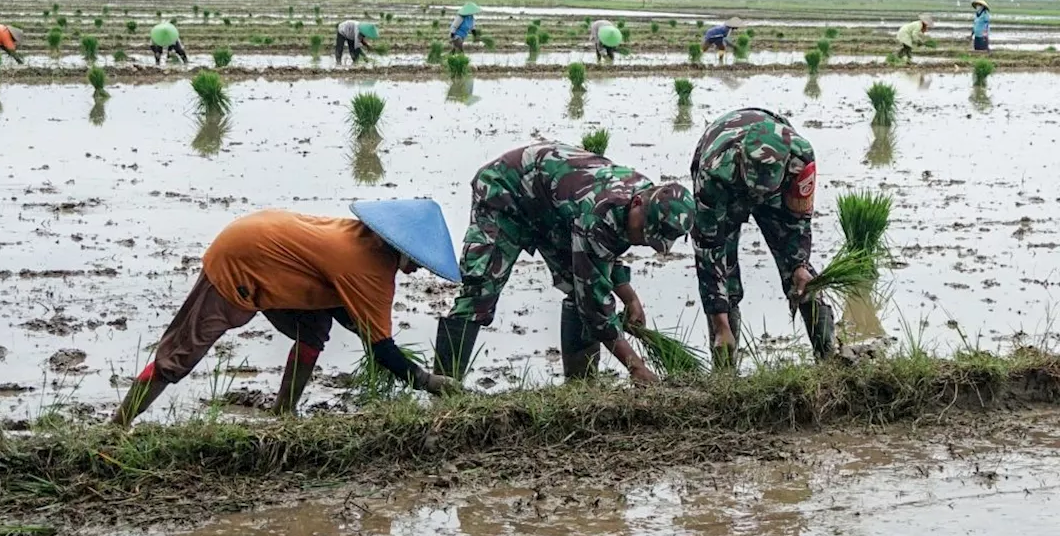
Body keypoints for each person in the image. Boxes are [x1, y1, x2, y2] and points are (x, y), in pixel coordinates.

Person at [112, 200, 463, 425]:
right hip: (241, 257)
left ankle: (283, 410)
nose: (420, 269)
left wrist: (368, 329)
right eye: (419, 260)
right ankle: (117, 426)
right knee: (182, 351)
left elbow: (348, 313)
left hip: (268, 244)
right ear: (401, 246)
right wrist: (428, 382)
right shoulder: (370, 268)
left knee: (313, 330)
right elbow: (381, 349)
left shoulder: (362, 238)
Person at [433, 142, 697, 385]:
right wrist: (635, 366)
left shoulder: (640, 201)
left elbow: (604, 253)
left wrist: (629, 298)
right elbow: (594, 302)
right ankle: (443, 390)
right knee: (480, 291)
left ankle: (581, 388)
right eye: (644, 231)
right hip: (506, 194)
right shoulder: (599, 212)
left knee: (576, 285)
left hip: (553, 211)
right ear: (638, 202)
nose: (641, 239)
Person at [689, 108, 835, 366]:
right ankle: (725, 371)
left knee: (801, 277)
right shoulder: (713, 173)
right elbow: (708, 251)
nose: (758, 194)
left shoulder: (801, 158)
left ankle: (828, 358)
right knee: (726, 277)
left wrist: (799, 263)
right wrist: (719, 321)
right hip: (728, 188)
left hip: (779, 189)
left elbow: (798, 220)